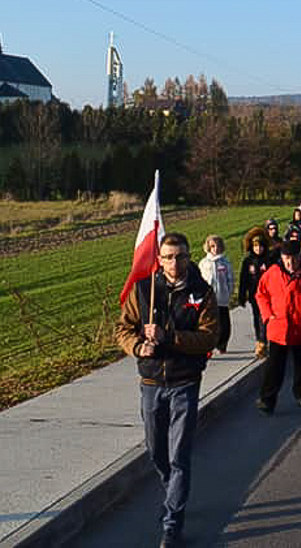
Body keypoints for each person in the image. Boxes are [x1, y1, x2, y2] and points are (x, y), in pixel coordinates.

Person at [115, 232, 219, 548]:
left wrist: (170, 336)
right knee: (155, 451)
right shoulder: (144, 290)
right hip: (150, 383)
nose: (175, 262)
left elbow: (209, 337)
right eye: (169, 256)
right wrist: (137, 346)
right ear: (159, 259)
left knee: (179, 456)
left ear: (189, 257)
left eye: (181, 256)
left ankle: (172, 522)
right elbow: (123, 328)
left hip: (184, 381)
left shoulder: (201, 293)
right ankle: (172, 490)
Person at [255, 239, 301, 414]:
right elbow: (261, 294)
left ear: (300, 257)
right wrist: (268, 316)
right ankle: (267, 400)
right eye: (287, 258)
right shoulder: (273, 273)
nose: (290, 262)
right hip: (279, 329)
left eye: (294, 258)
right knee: (274, 367)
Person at [198, 235, 235, 353]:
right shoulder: (204, 263)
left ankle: (222, 344)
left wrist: (228, 293)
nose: (215, 249)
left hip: (222, 299)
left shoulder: (225, 262)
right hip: (209, 299)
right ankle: (210, 345)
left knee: (224, 325)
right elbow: (200, 280)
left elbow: (230, 279)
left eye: (218, 246)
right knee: (210, 325)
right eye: (212, 246)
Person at [238, 227, 271, 359]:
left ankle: (264, 341)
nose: (258, 249)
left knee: (264, 318)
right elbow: (243, 279)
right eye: (256, 247)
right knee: (257, 318)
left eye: (261, 247)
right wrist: (242, 295)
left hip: (268, 295)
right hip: (254, 295)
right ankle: (260, 340)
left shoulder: (269, 260)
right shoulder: (248, 261)